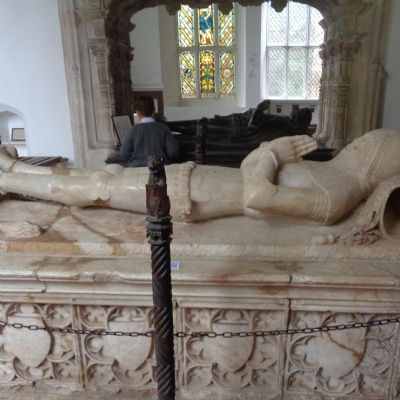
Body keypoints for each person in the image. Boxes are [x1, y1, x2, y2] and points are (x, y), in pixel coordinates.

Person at [0, 129, 399, 226]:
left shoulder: (339, 194)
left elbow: (257, 199)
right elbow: (250, 171)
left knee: (99, 188)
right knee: (107, 174)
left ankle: (8, 182)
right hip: (197, 178)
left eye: (370, 143)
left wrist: (272, 155)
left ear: (377, 160)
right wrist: (266, 153)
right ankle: (15, 170)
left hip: (194, 198)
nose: (361, 140)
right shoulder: (331, 172)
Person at [120, 95, 180, 167]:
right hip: (160, 168)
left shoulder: (132, 130)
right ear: (153, 110)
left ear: (138, 113)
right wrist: (164, 160)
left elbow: (124, 153)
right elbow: (173, 150)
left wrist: (136, 160)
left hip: (137, 169)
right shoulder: (163, 128)